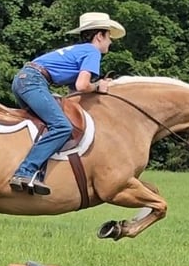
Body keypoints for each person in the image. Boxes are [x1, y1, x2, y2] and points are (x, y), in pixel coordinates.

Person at [8, 12, 126, 195]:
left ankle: (37, 173)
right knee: (62, 126)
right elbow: (82, 85)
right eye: (109, 36)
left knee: (46, 126)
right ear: (99, 36)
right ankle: (25, 171)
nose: (110, 42)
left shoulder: (78, 51)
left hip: (24, 79)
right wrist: (99, 86)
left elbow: (75, 93)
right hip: (33, 81)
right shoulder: (92, 52)